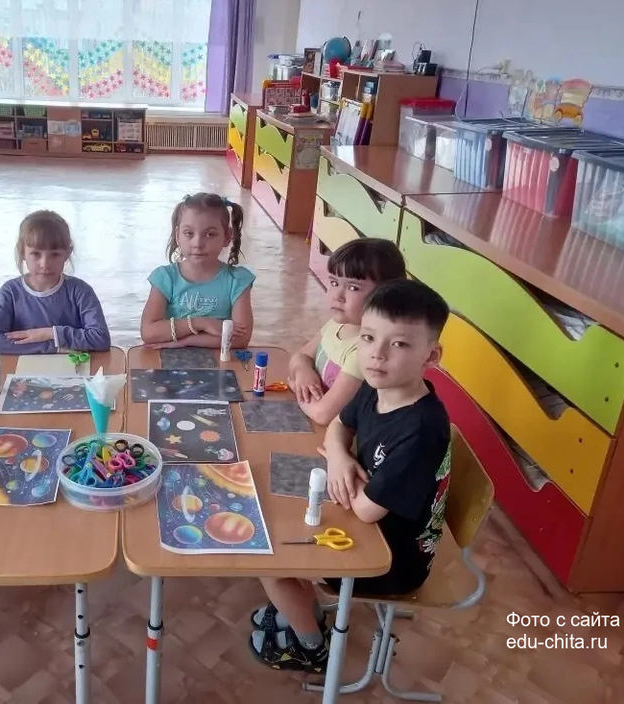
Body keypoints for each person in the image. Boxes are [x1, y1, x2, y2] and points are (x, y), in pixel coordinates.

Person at [249, 278, 452, 674]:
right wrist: (340, 458)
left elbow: (365, 510)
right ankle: (304, 613)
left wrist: (339, 459)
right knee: (278, 521)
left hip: (390, 561)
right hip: (367, 523)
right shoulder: (380, 384)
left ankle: (310, 646)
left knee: (266, 556)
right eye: (369, 337)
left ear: (431, 355)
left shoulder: (420, 430)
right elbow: (339, 425)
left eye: (399, 344)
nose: (377, 355)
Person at [288, 238, 406, 426]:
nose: (337, 295)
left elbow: (323, 414)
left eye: (353, 287)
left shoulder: (367, 350)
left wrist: (296, 388)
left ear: (386, 293)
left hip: (343, 438)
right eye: (334, 283)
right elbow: (301, 356)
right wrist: (303, 372)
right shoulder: (337, 325)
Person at [0, 210, 111, 354]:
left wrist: (50, 333)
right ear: (22, 252)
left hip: (72, 366)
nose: (45, 264)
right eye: (36, 254)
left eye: (55, 254)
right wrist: (55, 347)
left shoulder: (80, 291)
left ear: (67, 254)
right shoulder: (10, 292)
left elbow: (101, 339)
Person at [140, 192, 254, 349]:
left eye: (210, 234)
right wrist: (201, 323)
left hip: (220, 361)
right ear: (178, 236)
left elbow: (240, 340)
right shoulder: (165, 278)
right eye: (189, 233)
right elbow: (148, 333)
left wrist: (184, 342)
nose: (198, 243)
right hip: (170, 359)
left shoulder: (238, 280)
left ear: (227, 236)